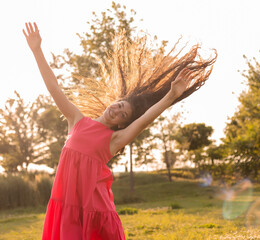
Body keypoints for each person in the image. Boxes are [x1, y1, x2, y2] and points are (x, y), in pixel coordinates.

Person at [23, 22, 216, 240]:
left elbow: (143, 121)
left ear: (121, 125)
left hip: (94, 210)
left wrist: (171, 96)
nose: (117, 110)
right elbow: (54, 87)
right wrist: (37, 50)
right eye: (119, 104)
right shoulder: (76, 120)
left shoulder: (114, 139)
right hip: (65, 204)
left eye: (123, 114)